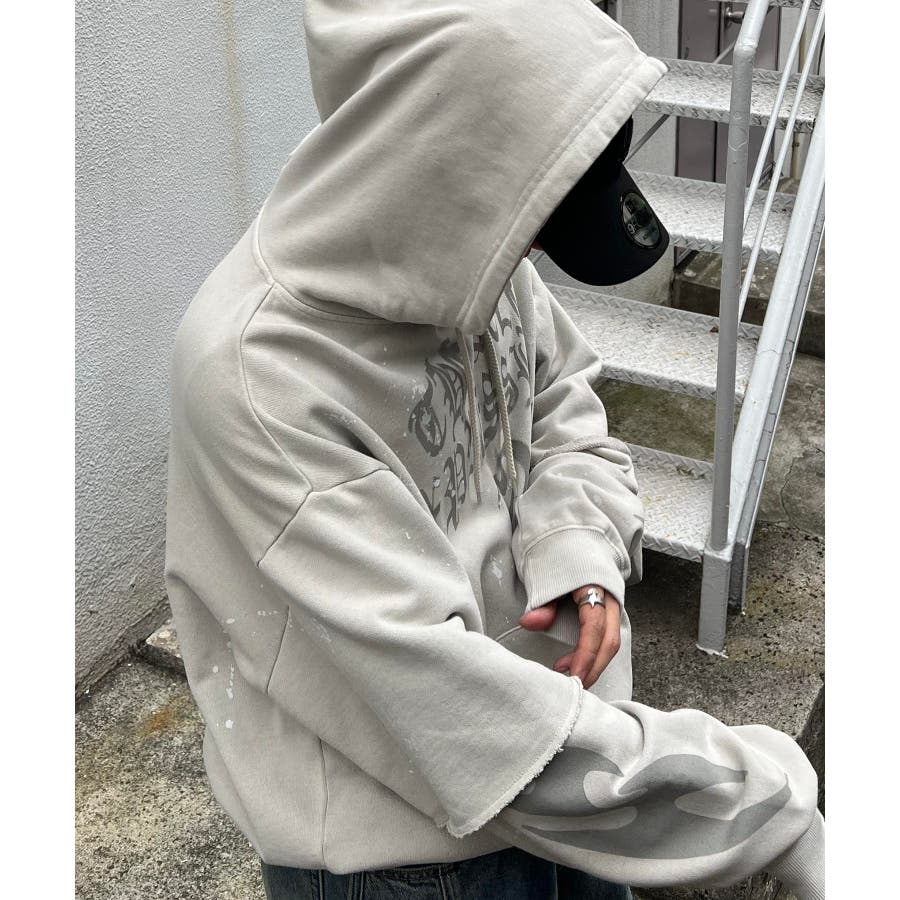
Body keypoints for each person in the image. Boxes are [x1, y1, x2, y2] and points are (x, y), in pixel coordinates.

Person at [163, 2, 824, 898]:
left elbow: (562, 399)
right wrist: (767, 809)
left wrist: (577, 548)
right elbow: (461, 719)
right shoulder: (259, 382)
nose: (535, 250)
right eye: (538, 217)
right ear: (445, 164)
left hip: (574, 765)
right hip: (408, 862)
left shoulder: (466, 245)